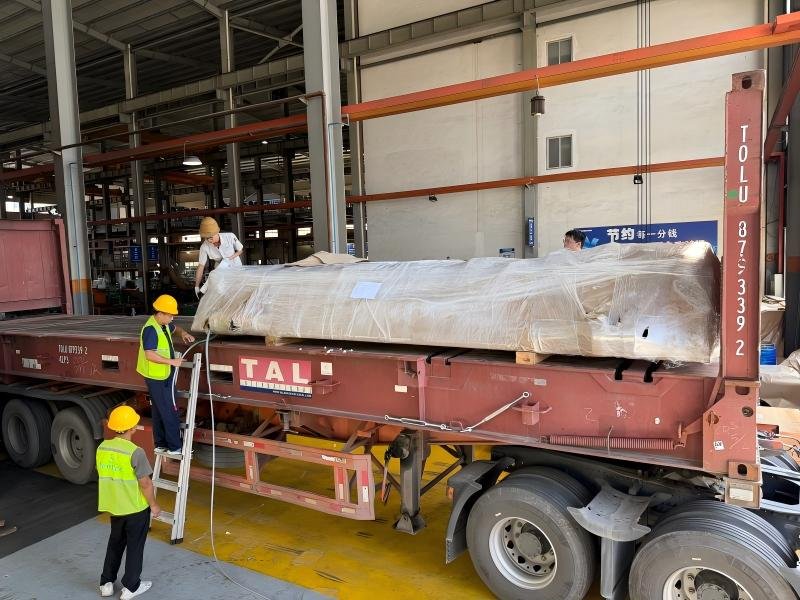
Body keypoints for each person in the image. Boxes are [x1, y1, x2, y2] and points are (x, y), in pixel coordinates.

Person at [97, 405, 161, 599]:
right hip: (135, 508)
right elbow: (145, 483)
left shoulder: (102, 447)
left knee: (115, 543)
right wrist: (154, 505)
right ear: (133, 427)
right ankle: (131, 587)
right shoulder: (136, 452)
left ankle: (106, 583)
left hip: (115, 508)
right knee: (135, 546)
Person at [136, 294, 194, 456]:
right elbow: (149, 355)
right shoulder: (151, 330)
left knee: (159, 410)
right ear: (160, 313)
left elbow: (176, 329)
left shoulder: (163, 325)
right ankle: (175, 447)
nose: (172, 318)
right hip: (157, 377)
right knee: (169, 410)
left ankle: (160, 444)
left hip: (162, 375)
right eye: (169, 315)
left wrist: (183, 333)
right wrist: (172, 362)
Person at [194, 217, 243, 298]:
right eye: (206, 238)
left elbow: (240, 250)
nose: (209, 240)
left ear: (217, 232)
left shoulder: (230, 237)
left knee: (237, 289)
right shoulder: (204, 246)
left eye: (211, 237)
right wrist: (196, 285)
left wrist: (230, 258)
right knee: (219, 288)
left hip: (235, 266)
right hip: (220, 268)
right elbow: (201, 266)